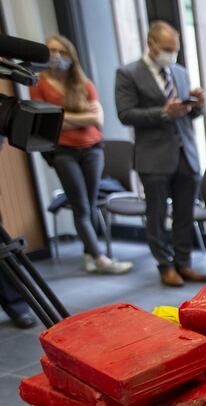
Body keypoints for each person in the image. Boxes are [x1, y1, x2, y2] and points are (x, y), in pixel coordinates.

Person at [115, 21, 206, 287]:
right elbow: (125, 114)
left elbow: (190, 115)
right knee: (156, 214)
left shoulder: (179, 72)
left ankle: (184, 263)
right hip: (153, 156)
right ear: (151, 44)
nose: (171, 53)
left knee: (184, 213)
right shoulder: (128, 73)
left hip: (185, 153)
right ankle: (165, 265)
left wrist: (196, 105)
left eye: (175, 49)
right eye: (167, 48)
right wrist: (163, 112)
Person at [29, 35, 132, 275]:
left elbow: (97, 118)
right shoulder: (39, 84)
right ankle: (99, 257)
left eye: (61, 51)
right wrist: (78, 116)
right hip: (64, 152)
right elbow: (48, 122)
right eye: (52, 51)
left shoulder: (82, 82)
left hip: (93, 149)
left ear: (70, 54)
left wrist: (64, 117)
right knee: (81, 207)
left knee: (90, 202)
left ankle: (89, 253)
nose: (57, 56)